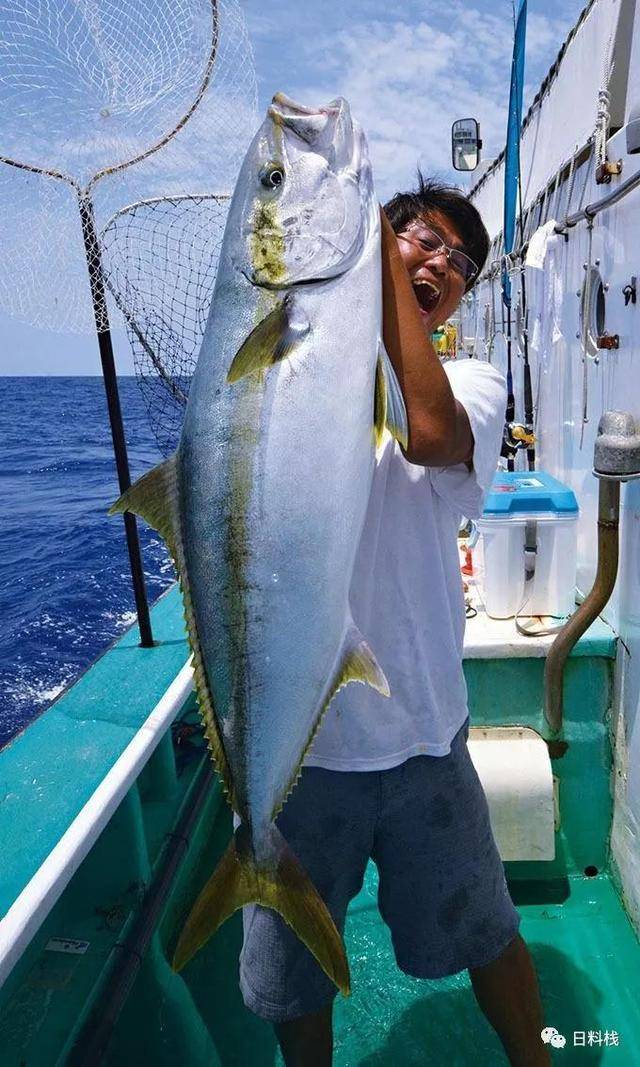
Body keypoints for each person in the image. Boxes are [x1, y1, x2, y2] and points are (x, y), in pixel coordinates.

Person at [238, 175, 551, 1067]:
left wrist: (379, 258)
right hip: (301, 745)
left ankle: (540, 1058)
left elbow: (423, 430)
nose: (438, 264)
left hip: (422, 732)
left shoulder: (470, 381)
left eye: (459, 264)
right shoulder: (306, 363)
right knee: (295, 974)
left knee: (489, 933)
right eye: (422, 240)